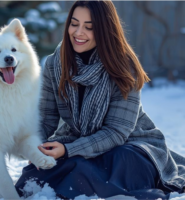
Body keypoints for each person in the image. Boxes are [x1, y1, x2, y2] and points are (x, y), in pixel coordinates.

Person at [15, 1, 185, 199]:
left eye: (89, 27)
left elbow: (116, 132)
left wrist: (69, 150)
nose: (78, 33)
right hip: (79, 142)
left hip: (130, 144)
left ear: (105, 29)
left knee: (118, 160)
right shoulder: (55, 63)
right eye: (74, 23)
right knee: (36, 177)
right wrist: (36, 147)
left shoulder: (123, 65)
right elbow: (45, 118)